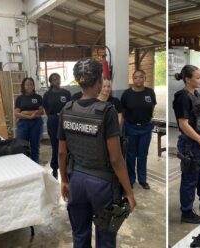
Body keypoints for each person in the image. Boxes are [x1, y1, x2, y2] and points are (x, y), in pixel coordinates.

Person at [59, 58, 136, 248]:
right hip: (102, 185)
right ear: (100, 81)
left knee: (79, 234)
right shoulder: (107, 111)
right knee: (106, 237)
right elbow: (116, 158)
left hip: (76, 180)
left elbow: (61, 153)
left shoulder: (66, 109)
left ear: (79, 81)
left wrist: (64, 180)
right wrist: (129, 191)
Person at [172, 65, 200, 224]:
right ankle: (186, 212)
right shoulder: (182, 97)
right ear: (187, 79)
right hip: (190, 144)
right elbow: (183, 124)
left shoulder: (196, 94)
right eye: (197, 77)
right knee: (190, 177)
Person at [121, 70, 157, 189]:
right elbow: (123, 111)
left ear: (144, 78)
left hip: (146, 128)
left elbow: (152, 106)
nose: (138, 80)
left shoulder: (150, 92)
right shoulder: (127, 94)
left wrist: (147, 119)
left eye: (141, 77)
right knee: (131, 155)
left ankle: (142, 179)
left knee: (143, 155)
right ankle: (131, 179)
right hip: (130, 127)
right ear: (133, 79)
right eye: (136, 77)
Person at [43, 73, 72, 178]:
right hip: (53, 121)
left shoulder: (66, 93)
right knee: (55, 145)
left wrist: (63, 115)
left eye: (58, 79)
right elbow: (46, 108)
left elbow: (70, 106)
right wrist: (53, 116)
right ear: (50, 81)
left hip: (65, 120)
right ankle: (55, 168)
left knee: (67, 145)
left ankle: (68, 167)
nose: (57, 81)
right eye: (55, 79)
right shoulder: (47, 95)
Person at [14, 78, 44, 163]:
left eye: (31, 84)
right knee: (23, 146)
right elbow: (16, 114)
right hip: (23, 124)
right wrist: (30, 116)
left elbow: (41, 112)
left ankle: (36, 166)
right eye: (27, 84)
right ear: (23, 86)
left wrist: (25, 112)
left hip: (36, 124)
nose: (29, 86)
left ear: (33, 86)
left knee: (35, 147)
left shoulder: (38, 97)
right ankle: (25, 167)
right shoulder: (20, 98)